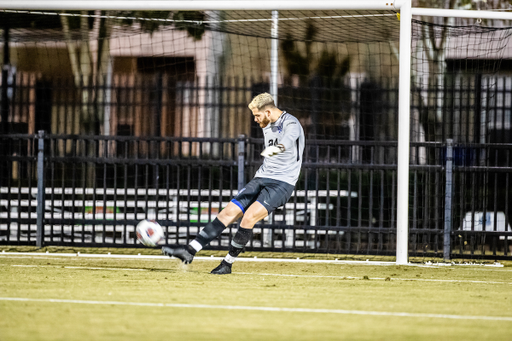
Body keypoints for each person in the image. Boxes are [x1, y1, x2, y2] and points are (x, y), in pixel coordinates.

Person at [162, 92, 305, 274]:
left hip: (282, 183)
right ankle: (189, 251)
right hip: (261, 177)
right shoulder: (267, 122)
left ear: (268, 112)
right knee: (228, 212)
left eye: (257, 115)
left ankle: (227, 263)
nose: (255, 120)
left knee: (249, 217)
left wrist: (276, 150)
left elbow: (287, 140)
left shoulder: (291, 123)